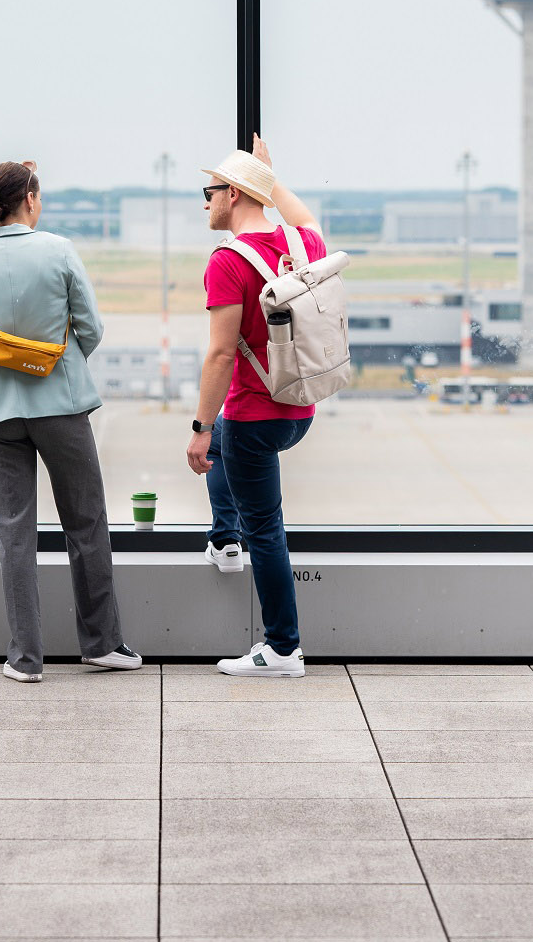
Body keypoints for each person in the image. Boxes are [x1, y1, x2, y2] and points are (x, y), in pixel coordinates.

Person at [0, 160, 140, 682]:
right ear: (29, 199)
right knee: (86, 523)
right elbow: (91, 329)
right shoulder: (59, 250)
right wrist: (57, 364)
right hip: (62, 404)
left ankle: (25, 659)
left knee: (14, 534)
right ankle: (101, 643)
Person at [187, 136, 326, 677]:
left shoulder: (226, 261)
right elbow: (304, 215)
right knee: (228, 447)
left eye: (210, 191)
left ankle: (283, 649)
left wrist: (199, 427)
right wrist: (271, 177)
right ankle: (223, 539)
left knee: (264, 530)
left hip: (253, 414)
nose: (206, 202)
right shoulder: (302, 243)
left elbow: (221, 354)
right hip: (298, 408)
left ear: (236, 194)